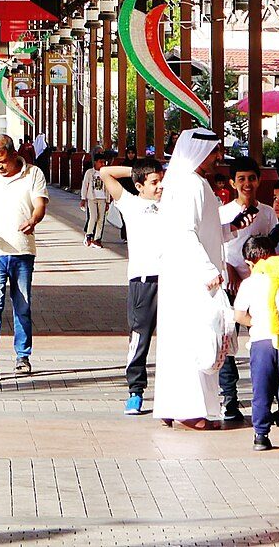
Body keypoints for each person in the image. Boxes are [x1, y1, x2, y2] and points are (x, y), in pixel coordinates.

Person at [154, 128, 230, 429]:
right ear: (198, 152)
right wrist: (208, 270)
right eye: (214, 153)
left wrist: (231, 229)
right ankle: (189, 410)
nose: (218, 158)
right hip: (193, 277)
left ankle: (175, 406)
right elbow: (184, 232)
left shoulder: (190, 182)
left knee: (184, 339)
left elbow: (203, 229)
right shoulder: (190, 185)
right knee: (194, 340)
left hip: (187, 275)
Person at [0, 132, 49, 380]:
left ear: (13, 154)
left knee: (22, 305)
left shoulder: (33, 173)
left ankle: (22, 356)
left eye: (2, 160)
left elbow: (40, 204)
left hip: (22, 250)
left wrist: (33, 220)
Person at [98, 157, 165, 415]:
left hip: (171, 280)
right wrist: (138, 171)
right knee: (140, 337)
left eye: (162, 181)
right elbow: (105, 172)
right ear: (139, 185)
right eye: (154, 182)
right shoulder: (130, 204)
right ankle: (135, 391)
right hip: (143, 281)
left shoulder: (173, 204)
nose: (160, 186)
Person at [232, 238, 279, 452]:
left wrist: (255, 322)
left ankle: (261, 436)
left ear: (249, 263)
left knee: (261, 391)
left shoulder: (248, 283)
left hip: (260, 343)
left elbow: (239, 315)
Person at [217, 156, 277, 424]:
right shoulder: (223, 213)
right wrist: (228, 269)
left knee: (268, 339)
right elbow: (216, 248)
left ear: (259, 180)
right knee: (228, 341)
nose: (247, 183)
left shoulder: (268, 213)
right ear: (232, 183)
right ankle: (229, 399)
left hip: (260, 288)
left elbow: (273, 248)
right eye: (241, 178)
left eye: (251, 178)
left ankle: (270, 398)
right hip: (231, 286)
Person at [80, 150, 113, 247]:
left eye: (104, 162)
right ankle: (89, 234)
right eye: (101, 162)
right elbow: (85, 185)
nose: (103, 164)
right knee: (93, 217)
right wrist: (83, 198)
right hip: (92, 198)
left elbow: (107, 187)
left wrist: (107, 200)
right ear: (95, 162)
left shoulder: (105, 173)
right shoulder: (90, 173)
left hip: (102, 198)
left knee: (101, 219)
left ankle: (97, 238)